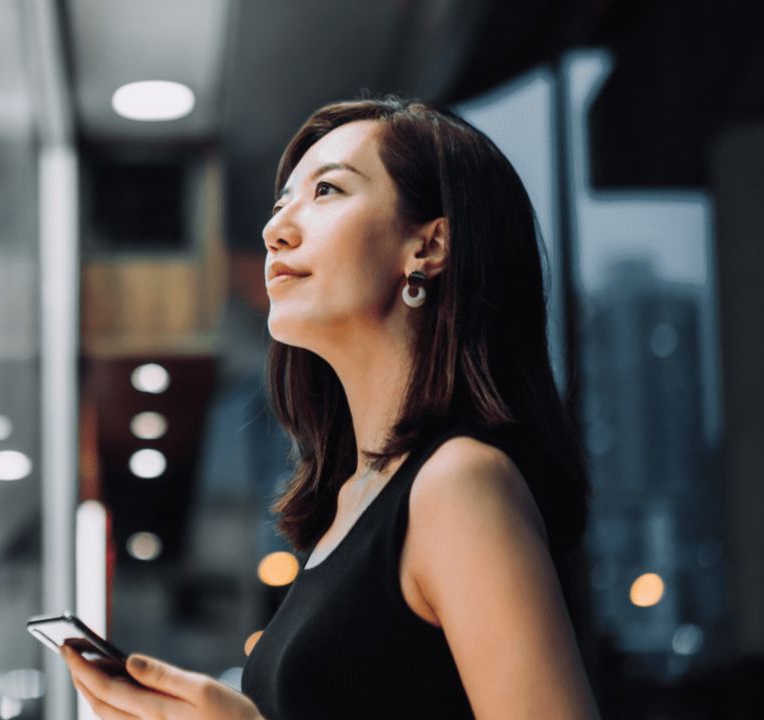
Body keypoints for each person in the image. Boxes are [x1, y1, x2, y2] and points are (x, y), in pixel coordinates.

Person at [61, 96, 600, 719]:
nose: (276, 229)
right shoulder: (353, 501)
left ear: (429, 246)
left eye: (326, 191)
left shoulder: (458, 482)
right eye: (281, 201)